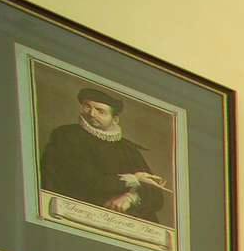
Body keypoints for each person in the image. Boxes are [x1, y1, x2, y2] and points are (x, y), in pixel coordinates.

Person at [38, 86, 167, 219]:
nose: (92, 113)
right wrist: (133, 179)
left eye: (100, 111)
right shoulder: (66, 135)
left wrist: (130, 197)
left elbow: (156, 194)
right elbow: (81, 180)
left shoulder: (128, 149)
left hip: (124, 223)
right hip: (76, 214)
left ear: (115, 119)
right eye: (87, 107)